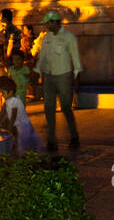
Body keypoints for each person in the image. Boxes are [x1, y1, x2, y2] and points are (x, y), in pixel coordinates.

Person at [32, 10, 82, 151]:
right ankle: (51, 139)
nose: (46, 26)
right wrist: (38, 71)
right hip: (49, 76)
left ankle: (74, 136)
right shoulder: (46, 38)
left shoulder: (68, 37)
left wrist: (77, 75)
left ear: (55, 22)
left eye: (48, 23)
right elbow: (42, 56)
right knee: (49, 108)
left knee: (66, 107)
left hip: (64, 75)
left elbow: (75, 56)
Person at [0, 78, 41, 154]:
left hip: (23, 126)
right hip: (19, 125)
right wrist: (2, 121)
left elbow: (13, 115)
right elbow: (8, 113)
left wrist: (9, 127)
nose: (2, 95)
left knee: (24, 145)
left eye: (3, 93)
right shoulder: (9, 100)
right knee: (20, 143)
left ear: (11, 92)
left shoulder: (14, 101)